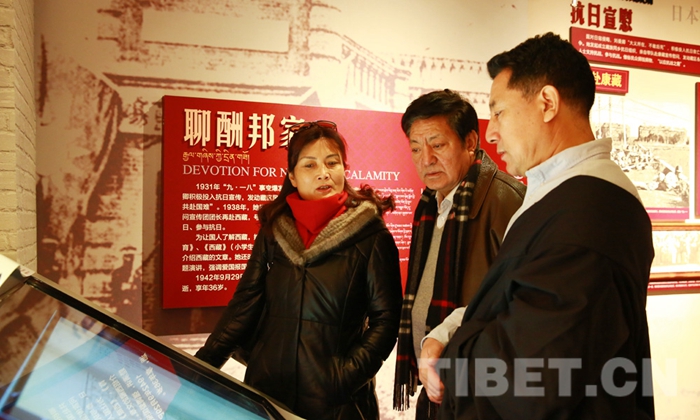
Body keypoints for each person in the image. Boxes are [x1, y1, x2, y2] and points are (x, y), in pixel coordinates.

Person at [426, 33, 655, 419]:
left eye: (499, 112)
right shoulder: (563, 196)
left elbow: (528, 374)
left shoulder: (590, 214)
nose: (491, 132)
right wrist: (448, 329)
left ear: (547, 103)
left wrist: (452, 350)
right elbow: (519, 305)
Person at [195, 120, 403, 420]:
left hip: (337, 405)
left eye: (332, 163)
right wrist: (200, 368)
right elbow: (244, 305)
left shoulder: (370, 235)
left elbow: (386, 321)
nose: (323, 173)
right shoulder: (274, 231)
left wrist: (343, 379)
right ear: (292, 176)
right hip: (268, 393)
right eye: (310, 165)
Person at [392, 89, 526, 419]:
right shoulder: (429, 204)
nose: (425, 159)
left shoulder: (507, 201)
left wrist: (443, 336)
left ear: (470, 142)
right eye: (415, 148)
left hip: (484, 394)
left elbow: (518, 305)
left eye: (437, 145)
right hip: (438, 388)